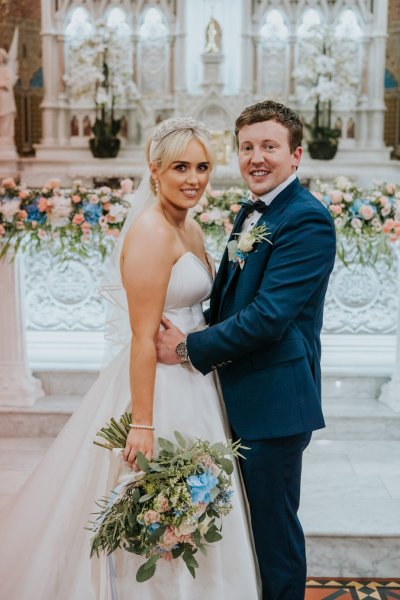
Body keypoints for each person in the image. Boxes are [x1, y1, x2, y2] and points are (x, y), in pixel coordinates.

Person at [0, 118, 260, 599]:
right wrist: (142, 423)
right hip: (159, 387)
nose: (193, 179)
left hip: (196, 379)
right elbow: (143, 338)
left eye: (202, 167)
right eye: (180, 166)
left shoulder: (192, 227)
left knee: (200, 506)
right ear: (154, 170)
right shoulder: (149, 233)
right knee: (160, 512)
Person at [157, 101, 337, 600]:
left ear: (296, 155)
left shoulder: (306, 220)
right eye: (247, 147)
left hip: (274, 403)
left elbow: (268, 317)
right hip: (238, 393)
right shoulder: (254, 209)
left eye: (269, 147)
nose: (256, 158)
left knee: (275, 535)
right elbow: (231, 299)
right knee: (244, 534)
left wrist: (190, 348)